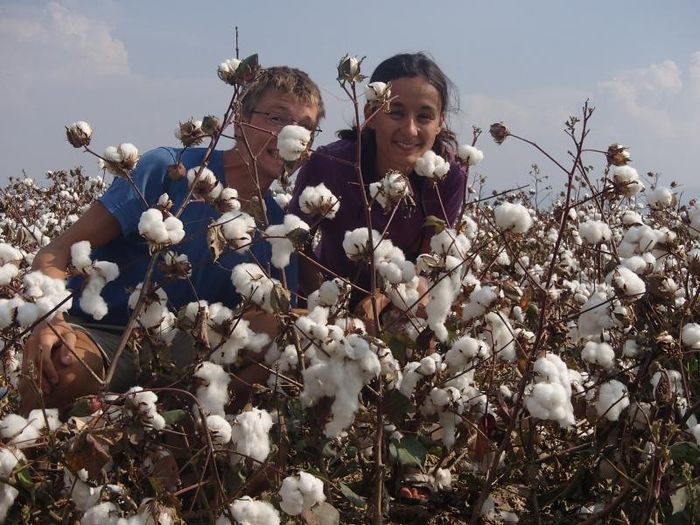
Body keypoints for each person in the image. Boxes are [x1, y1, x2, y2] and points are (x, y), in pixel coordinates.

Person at [20, 66, 324, 412]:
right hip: (101, 335)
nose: (292, 135)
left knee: (286, 329)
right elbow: (57, 251)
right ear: (239, 121)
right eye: (276, 117)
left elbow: (265, 328)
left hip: (188, 360)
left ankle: (176, 430)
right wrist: (49, 321)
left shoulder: (280, 230)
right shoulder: (167, 169)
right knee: (60, 369)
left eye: (306, 128)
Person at [288, 52, 466, 307]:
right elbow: (295, 242)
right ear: (371, 113)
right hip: (321, 311)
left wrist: (382, 302)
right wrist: (329, 306)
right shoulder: (329, 165)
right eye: (395, 112)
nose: (410, 129)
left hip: (402, 306)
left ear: (440, 123)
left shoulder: (447, 178)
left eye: (424, 116)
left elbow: (428, 263)